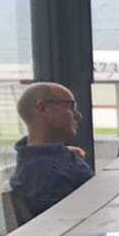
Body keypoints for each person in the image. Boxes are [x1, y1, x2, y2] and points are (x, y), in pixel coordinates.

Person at [8, 82, 92, 217]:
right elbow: (65, 223)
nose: (78, 116)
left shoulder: (47, 160)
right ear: (43, 109)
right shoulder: (44, 171)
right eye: (70, 107)